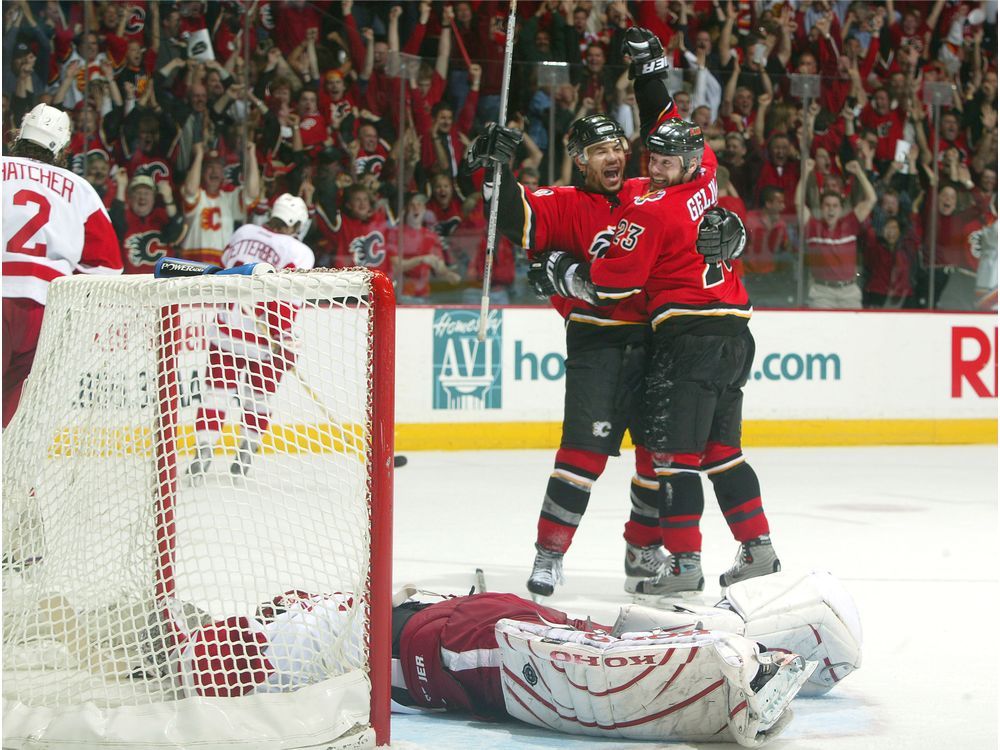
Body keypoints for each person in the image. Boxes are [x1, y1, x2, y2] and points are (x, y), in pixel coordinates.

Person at [461, 28, 682, 599]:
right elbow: (513, 218)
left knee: (658, 459)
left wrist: (650, 75)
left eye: (617, 148)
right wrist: (496, 174)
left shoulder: (643, 192)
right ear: (579, 159)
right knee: (583, 455)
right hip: (598, 345)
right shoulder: (562, 203)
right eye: (599, 151)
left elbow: (672, 141)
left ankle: (642, 551)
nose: (613, 157)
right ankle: (550, 553)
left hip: (656, 341)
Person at [159, 571, 860, 746]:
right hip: (449, 620)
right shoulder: (277, 613)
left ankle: (729, 670)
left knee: (571, 667)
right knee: (580, 635)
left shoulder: (227, 652)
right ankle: (755, 642)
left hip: (436, 646)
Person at [530, 119, 780, 597]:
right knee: (722, 453)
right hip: (735, 333)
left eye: (667, 162)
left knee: (671, 460)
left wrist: (563, 273)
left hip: (685, 339)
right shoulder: (705, 185)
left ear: (688, 163)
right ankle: (758, 546)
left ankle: (684, 562)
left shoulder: (650, 209)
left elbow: (610, 284)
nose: (657, 169)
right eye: (654, 160)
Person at [2, 103, 123, 428]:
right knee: (13, 416)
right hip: (46, 314)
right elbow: (108, 268)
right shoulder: (80, 189)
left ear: (19, 136)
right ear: (62, 148)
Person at [186, 194, 313, 480]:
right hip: (266, 339)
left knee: (216, 394)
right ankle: (246, 452)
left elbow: (225, 266)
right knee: (259, 398)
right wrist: (284, 341)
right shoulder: (300, 251)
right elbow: (286, 298)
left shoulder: (242, 232)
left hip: (226, 329)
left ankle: (204, 448)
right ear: (295, 223)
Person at [796, 158, 877, 309]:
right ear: (821, 208)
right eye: (827, 205)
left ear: (840, 208)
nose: (831, 209)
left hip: (849, 293)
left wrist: (859, 172)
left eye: (835, 206)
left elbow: (871, 199)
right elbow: (799, 203)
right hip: (822, 293)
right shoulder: (813, 226)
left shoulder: (850, 223)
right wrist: (806, 172)